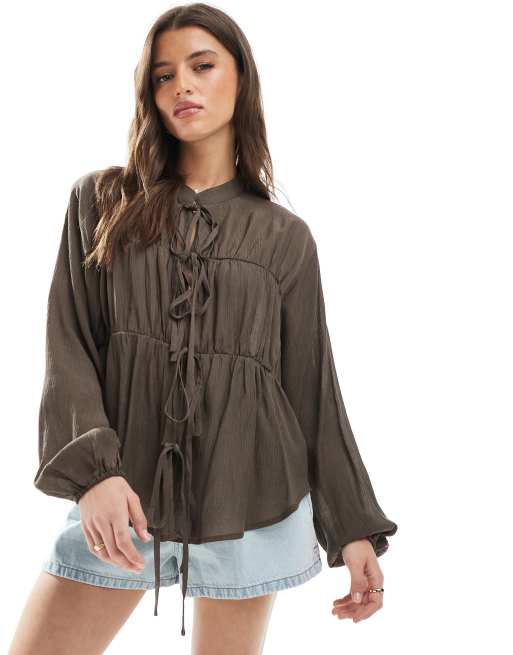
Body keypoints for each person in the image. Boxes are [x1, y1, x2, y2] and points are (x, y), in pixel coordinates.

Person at [8, 3, 398, 654]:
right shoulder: (103, 201)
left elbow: (311, 390)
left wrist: (350, 528)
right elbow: (69, 344)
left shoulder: (285, 238)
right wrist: (95, 473)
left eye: (202, 66)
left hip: (250, 503)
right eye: (163, 75)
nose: (181, 86)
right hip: (124, 498)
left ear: (241, 78)